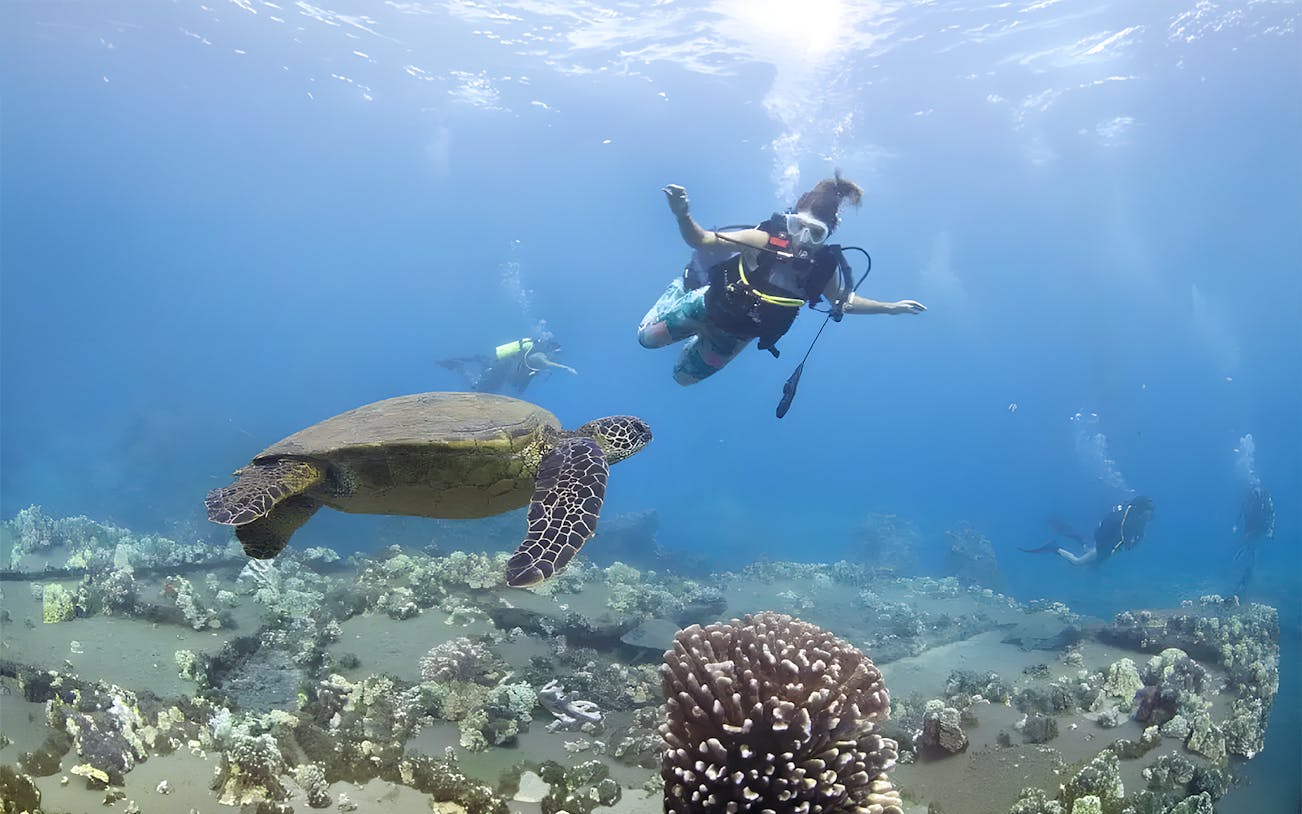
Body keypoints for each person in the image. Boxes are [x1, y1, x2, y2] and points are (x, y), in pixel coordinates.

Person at [637, 174, 926, 385]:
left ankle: (697, 341)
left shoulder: (821, 268)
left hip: (734, 335)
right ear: (789, 219)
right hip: (705, 305)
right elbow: (702, 240)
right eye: (798, 226)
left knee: (682, 379)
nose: (802, 237)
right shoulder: (760, 239)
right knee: (646, 340)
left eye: (815, 233)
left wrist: (892, 307)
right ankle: (679, 288)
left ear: (828, 235)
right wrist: (682, 214)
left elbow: (843, 302)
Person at [1021, 496, 1156, 566]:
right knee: (1078, 562)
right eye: (1147, 512)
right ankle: (1055, 548)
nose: (1149, 516)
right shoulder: (1128, 520)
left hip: (1105, 545)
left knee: (1089, 556)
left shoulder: (1135, 519)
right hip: (1104, 546)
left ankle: (1078, 537)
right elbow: (1124, 539)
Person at [438, 336, 577, 396]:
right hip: (502, 368)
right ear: (552, 350)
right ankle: (459, 366)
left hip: (504, 368)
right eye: (557, 353)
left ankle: (482, 360)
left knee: (488, 381)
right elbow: (546, 362)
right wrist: (566, 368)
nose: (557, 356)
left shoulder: (537, 353)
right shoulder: (540, 356)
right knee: (479, 390)